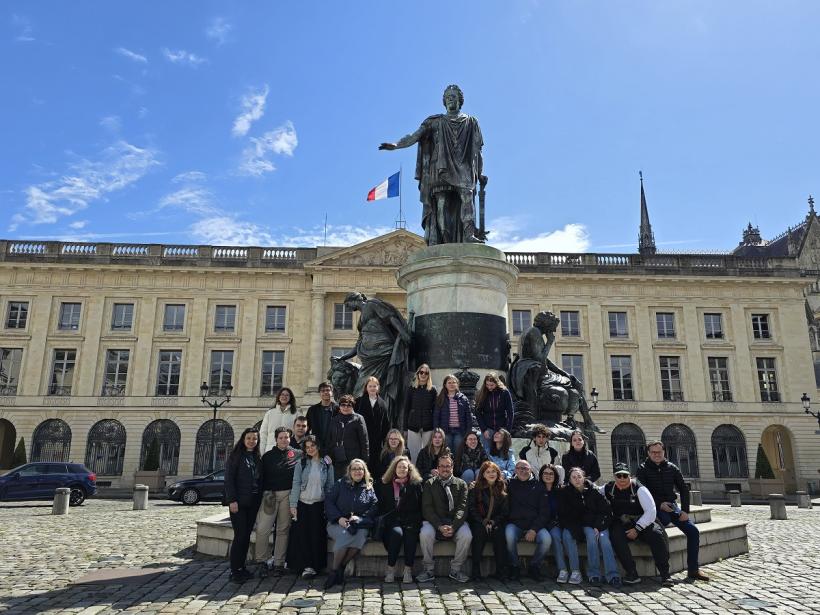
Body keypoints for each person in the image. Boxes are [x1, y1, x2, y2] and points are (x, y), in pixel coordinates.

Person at [379, 84, 486, 245]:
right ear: (444, 101)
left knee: (467, 197)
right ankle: (445, 239)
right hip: (440, 166)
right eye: (448, 97)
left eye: (454, 97)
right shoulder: (434, 121)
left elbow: (478, 150)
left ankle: (469, 234)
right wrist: (396, 145)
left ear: (460, 100)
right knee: (441, 204)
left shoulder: (471, 122)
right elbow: (414, 136)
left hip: (464, 166)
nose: (451, 99)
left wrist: (480, 172)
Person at [333, 292, 410, 427]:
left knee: (374, 388)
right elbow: (359, 343)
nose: (347, 308)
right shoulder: (361, 319)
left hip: (383, 353)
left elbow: (390, 317)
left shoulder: (372, 304)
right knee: (360, 390)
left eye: (347, 304)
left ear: (354, 300)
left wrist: (403, 333)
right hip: (369, 359)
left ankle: (381, 418)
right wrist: (344, 357)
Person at [636, 440, 709, 582]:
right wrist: (659, 504)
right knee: (660, 530)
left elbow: (684, 489)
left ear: (664, 452)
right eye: (653, 452)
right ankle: (665, 572)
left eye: (659, 452)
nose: (657, 455)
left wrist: (685, 511)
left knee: (693, 531)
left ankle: (693, 570)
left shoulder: (672, 468)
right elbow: (641, 492)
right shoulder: (642, 469)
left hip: (672, 507)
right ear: (648, 453)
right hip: (654, 509)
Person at [601, 462, 671, 586]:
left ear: (630, 476)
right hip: (622, 522)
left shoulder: (640, 489)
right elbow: (594, 491)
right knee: (616, 536)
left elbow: (651, 511)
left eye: (625, 475)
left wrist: (637, 529)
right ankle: (631, 573)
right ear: (614, 476)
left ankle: (665, 574)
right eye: (619, 476)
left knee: (656, 534)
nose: (622, 478)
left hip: (643, 521)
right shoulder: (608, 488)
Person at [560, 467, 620, 587]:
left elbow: (606, 511)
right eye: (574, 477)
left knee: (604, 541)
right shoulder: (567, 493)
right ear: (570, 480)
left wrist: (598, 526)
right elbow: (566, 514)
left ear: (584, 477)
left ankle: (612, 575)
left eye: (579, 477)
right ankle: (594, 575)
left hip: (600, 523)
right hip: (582, 525)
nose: (577, 480)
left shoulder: (594, 491)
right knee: (590, 538)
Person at [324, 459, 379, 589]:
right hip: (337, 522)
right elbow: (329, 502)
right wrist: (339, 518)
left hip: (359, 524)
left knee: (360, 537)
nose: (357, 471)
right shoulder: (340, 484)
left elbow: (374, 506)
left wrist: (360, 519)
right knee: (344, 535)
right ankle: (334, 571)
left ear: (364, 471)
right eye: (354, 469)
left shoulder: (369, 487)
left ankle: (341, 568)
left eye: (360, 469)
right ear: (349, 471)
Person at [418, 454, 472, 583]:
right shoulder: (429, 484)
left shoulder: (462, 484)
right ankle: (428, 569)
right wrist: (439, 526)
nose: (445, 469)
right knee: (425, 533)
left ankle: (456, 569)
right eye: (442, 466)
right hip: (435, 522)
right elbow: (427, 509)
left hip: (454, 523)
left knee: (466, 535)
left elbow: (462, 508)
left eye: (448, 466)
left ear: (452, 467)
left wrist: (454, 526)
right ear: (437, 468)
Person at [255, 426, 300, 576]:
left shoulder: (297, 454)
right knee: (263, 528)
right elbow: (260, 478)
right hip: (270, 495)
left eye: (286, 437)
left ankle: (279, 562)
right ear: (276, 439)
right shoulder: (267, 456)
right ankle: (261, 561)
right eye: (281, 437)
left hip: (287, 495)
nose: (284, 440)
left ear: (290, 438)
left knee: (283, 529)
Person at [288, 435, 335, 579]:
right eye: (307, 447)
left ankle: (315, 566)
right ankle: (304, 565)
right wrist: (293, 505)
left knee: (316, 536)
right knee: (303, 536)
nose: (310, 449)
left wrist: (329, 506)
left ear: (318, 446)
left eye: (312, 446)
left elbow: (330, 486)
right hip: (303, 503)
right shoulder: (301, 463)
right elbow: (295, 484)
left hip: (318, 504)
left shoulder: (326, 464)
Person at [223, 427, 262, 583]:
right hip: (238, 503)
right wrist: (231, 500)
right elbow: (229, 480)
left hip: (252, 503)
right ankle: (234, 570)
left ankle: (241, 567)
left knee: (246, 536)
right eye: (249, 438)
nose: (252, 441)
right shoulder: (236, 456)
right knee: (240, 536)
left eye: (254, 439)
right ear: (243, 440)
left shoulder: (257, 457)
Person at [378, 455, 423, 584]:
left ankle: (408, 570)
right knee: (396, 534)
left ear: (409, 469)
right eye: (399, 467)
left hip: (411, 519)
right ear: (394, 468)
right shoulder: (385, 484)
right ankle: (390, 569)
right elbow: (381, 507)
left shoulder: (416, 484)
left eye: (405, 467)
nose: (402, 469)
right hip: (393, 520)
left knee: (410, 536)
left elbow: (419, 506)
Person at [505, 460, 551, 581]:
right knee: (509, 535)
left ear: (530, 470)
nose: (523, 471)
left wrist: (534, 530)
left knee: (546, 539)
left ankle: (534, 566)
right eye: (520, 468)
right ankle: (514, 566)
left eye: (526, 468)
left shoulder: (539, 486)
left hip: (535, 525)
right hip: (515, 524)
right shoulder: (509, 484)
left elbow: (544, 512)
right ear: (515, 470)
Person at [467, 461, 509, 580]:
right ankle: (476, 570)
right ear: (483, 474)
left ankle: (501, 571)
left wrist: (493, 522)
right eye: (488, 472)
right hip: (479, 521)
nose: (491, 474)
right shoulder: (475, 488)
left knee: (500, 535)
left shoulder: (503, 487)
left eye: (493, 471)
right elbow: (471, 508)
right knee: (479, 533)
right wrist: (483, 522)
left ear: (497, 473)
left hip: (496, 521)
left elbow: (504, 511)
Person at [537, 463, 568, 583]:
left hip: (554, 523)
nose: (548, 476)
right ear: (541, 475)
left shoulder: (560, 491)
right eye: (545, 473)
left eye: (551, 473)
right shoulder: (537, 489)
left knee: (555, 536)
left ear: (555, 476)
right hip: (540, 523)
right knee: (546, 538)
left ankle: (562, 570)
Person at [328, 394, 369, 478]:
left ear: (353, 407)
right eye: (343, 405)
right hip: (338, 460)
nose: (345, 407)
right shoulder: (334, 420)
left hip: (354, 460)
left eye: (349, 405)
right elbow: (330, 439)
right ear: (339, 406)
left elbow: (364, 441)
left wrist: (364, 461)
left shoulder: (358, 419)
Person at [355, 376, 391, 472]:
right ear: (366, 387)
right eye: (370, 386)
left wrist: (385, 442)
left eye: (374, 386)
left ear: (378, 387)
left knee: (375, 467)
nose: (372, 388)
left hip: (376, 442)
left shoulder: (383, 404)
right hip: (361, 440)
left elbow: (385, 425)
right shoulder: (358, 402)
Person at [404, 363, 437, 461]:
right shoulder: (411, 389)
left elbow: (435, 410)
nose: (423, 375)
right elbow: (406, 409)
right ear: (418, 373)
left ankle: (426, 474)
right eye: (421, 372)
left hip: (428, 427)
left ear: (428, 375)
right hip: (413, 426)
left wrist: (435, 427)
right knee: (414, 454)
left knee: (428, 453)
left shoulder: (433, 390)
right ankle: (415, 475)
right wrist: (405, 429)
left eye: (426, 373)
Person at [475, 372, 514, 451]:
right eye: (487, 385)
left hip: (501, 429)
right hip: (488, 429)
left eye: (492, 385)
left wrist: (507, 430)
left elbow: (510, 412)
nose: (489, 387)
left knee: (502, 452)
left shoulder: (505, 393)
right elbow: (478, 412)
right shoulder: (482, 393)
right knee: (486, 453)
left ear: (497, 383)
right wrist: (484, 429)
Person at [433, 374, 473, 454]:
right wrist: (436, 430)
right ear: (445, 385)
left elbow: (468, 417)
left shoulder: (463, 398)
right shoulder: (441, 398)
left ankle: (457, 467)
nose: (452, 384)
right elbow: (436, 416)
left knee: (458, 453)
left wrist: (468, 432)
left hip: (460, 431)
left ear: (457, 384)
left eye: (454, 382)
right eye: (449, 383)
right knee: (446, 453)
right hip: (445, 431)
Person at [259, 387, 298, 454]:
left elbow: (297, 435)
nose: (284, 397)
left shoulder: (296, 414)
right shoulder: (270, 413)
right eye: (282, 394)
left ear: (290, 397)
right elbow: (263, 433)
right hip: (270, 449)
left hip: (288, 451)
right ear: (278, 397)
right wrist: (261, 451)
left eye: (287, 395)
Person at [306, 381, 338, 452]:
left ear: (332, 392)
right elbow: (307, 428)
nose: (325, 392)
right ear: (319, 393)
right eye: (323, 391)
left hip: (334, 448)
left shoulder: (338, 409)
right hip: (317, 448)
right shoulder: (312, 410)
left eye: (328, 390)